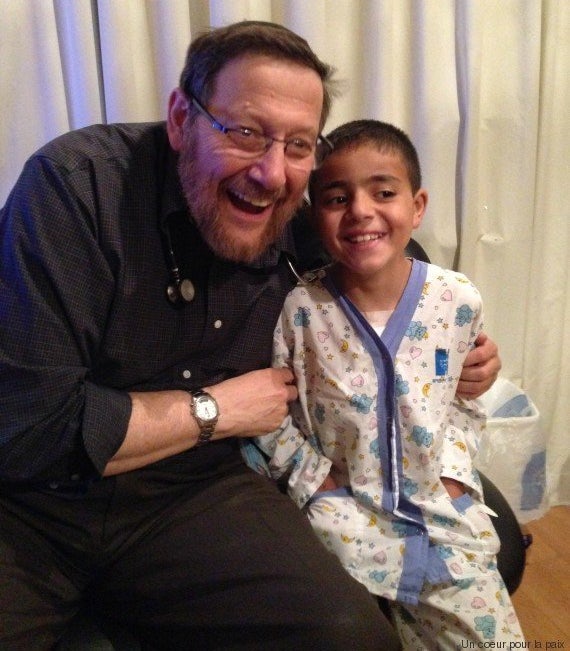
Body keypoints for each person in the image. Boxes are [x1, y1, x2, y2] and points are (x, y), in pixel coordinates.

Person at [0, 20, 500, 651]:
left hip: (193, 499)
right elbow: (27, 425)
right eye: (245, 133)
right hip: (27, 509)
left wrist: (461, 348)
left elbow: (391, 252)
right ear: (182, 119)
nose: (271, 173)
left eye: (298, 145)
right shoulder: (78, 187)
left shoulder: (300, 212)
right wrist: (215, 411)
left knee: (356, 640)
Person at [244, 120, 523, 649]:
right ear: (314, 216)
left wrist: (457, 475)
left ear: (417, 207)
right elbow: (274, 412)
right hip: (342, 516)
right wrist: (314, 481)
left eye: (384, 192)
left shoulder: (456, 300)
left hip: (440, 516)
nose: (361, 211)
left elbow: (466, 401)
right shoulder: (303, 312)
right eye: (336, 197)